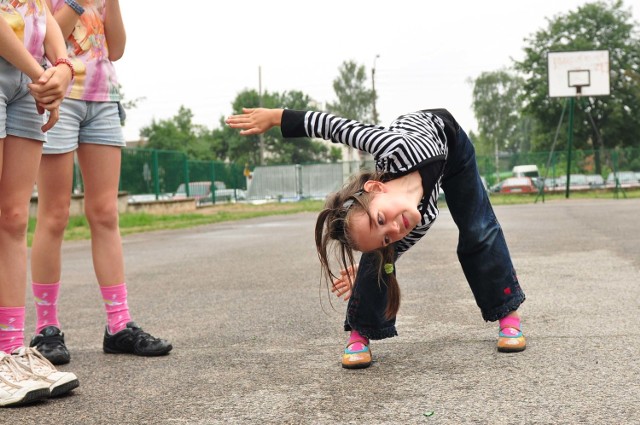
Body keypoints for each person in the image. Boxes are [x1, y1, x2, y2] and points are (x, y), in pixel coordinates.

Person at [226, 107, 526, 369]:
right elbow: (390, 252)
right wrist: (365, 269)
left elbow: (336, 127)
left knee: (479, 229)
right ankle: (361, 332)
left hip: (454, 146)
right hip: (433, 165)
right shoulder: (423, 217)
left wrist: (278, 118)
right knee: (380, 256)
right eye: (386, 234)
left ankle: (508, 315)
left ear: (376, 188)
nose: (393, 230)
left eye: (381, 219)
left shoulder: (393, 147)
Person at [28, 0, 172, 366]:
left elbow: (118, 48)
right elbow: (45, 39)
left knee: (106, 213)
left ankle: (119, 325)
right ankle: (47, 329)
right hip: (58, 95)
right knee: (55, 213)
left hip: (103, 97)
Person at [1, 0, 80, 407]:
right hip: (19, 69)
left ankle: (10, 352)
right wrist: (43, 76)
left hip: (27, 78)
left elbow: (41, 10)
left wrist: (62, 67)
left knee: (13, 219)